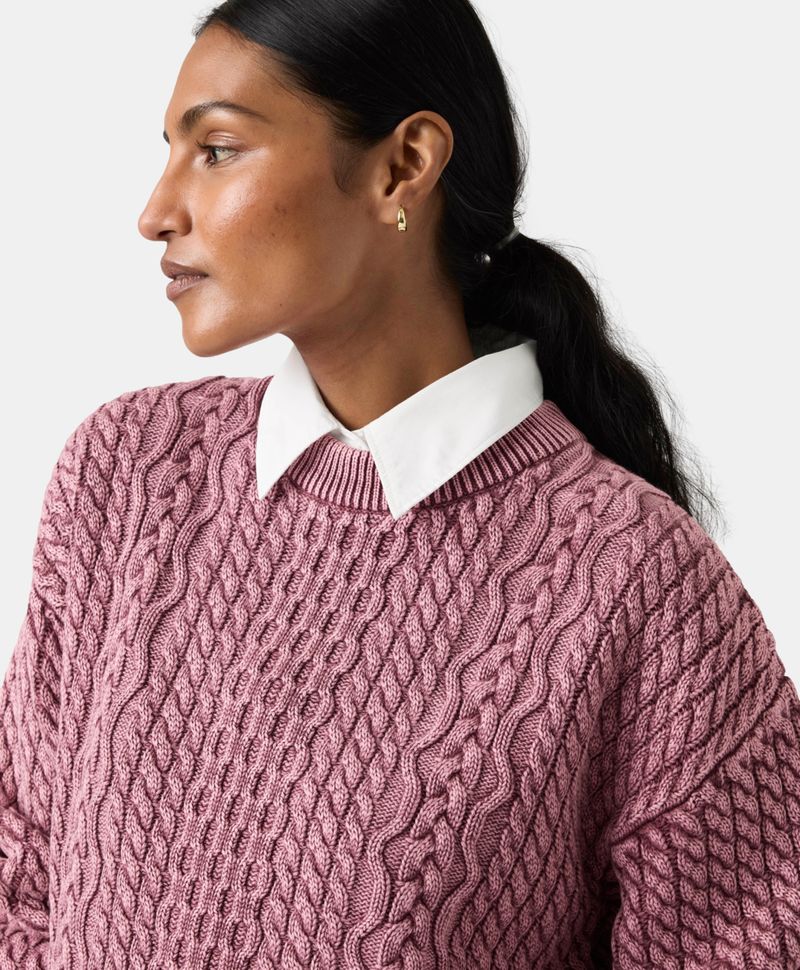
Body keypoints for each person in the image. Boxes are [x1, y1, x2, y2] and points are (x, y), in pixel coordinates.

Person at [3, 1, 799, 967]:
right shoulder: (130, 474)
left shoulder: (640, 585)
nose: (155, 211)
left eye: (216, 150)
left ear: (403, 165)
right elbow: (20, 883)